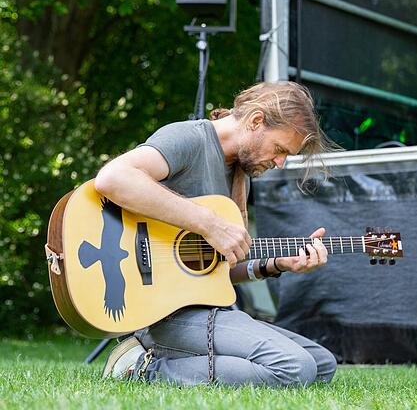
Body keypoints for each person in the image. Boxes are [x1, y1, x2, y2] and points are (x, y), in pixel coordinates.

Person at [95, 81, 339, 387]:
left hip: (204, 313)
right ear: (255, 121)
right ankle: (141, 368)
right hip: (162, 315)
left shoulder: (240, 177)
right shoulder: (188, 138)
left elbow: (215, 272)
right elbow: (112, 178)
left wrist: (278, 265)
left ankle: (187, 363)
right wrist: (209, 224)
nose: (280, 163)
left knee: (321, 365)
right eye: (279, 150)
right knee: (294, 367)